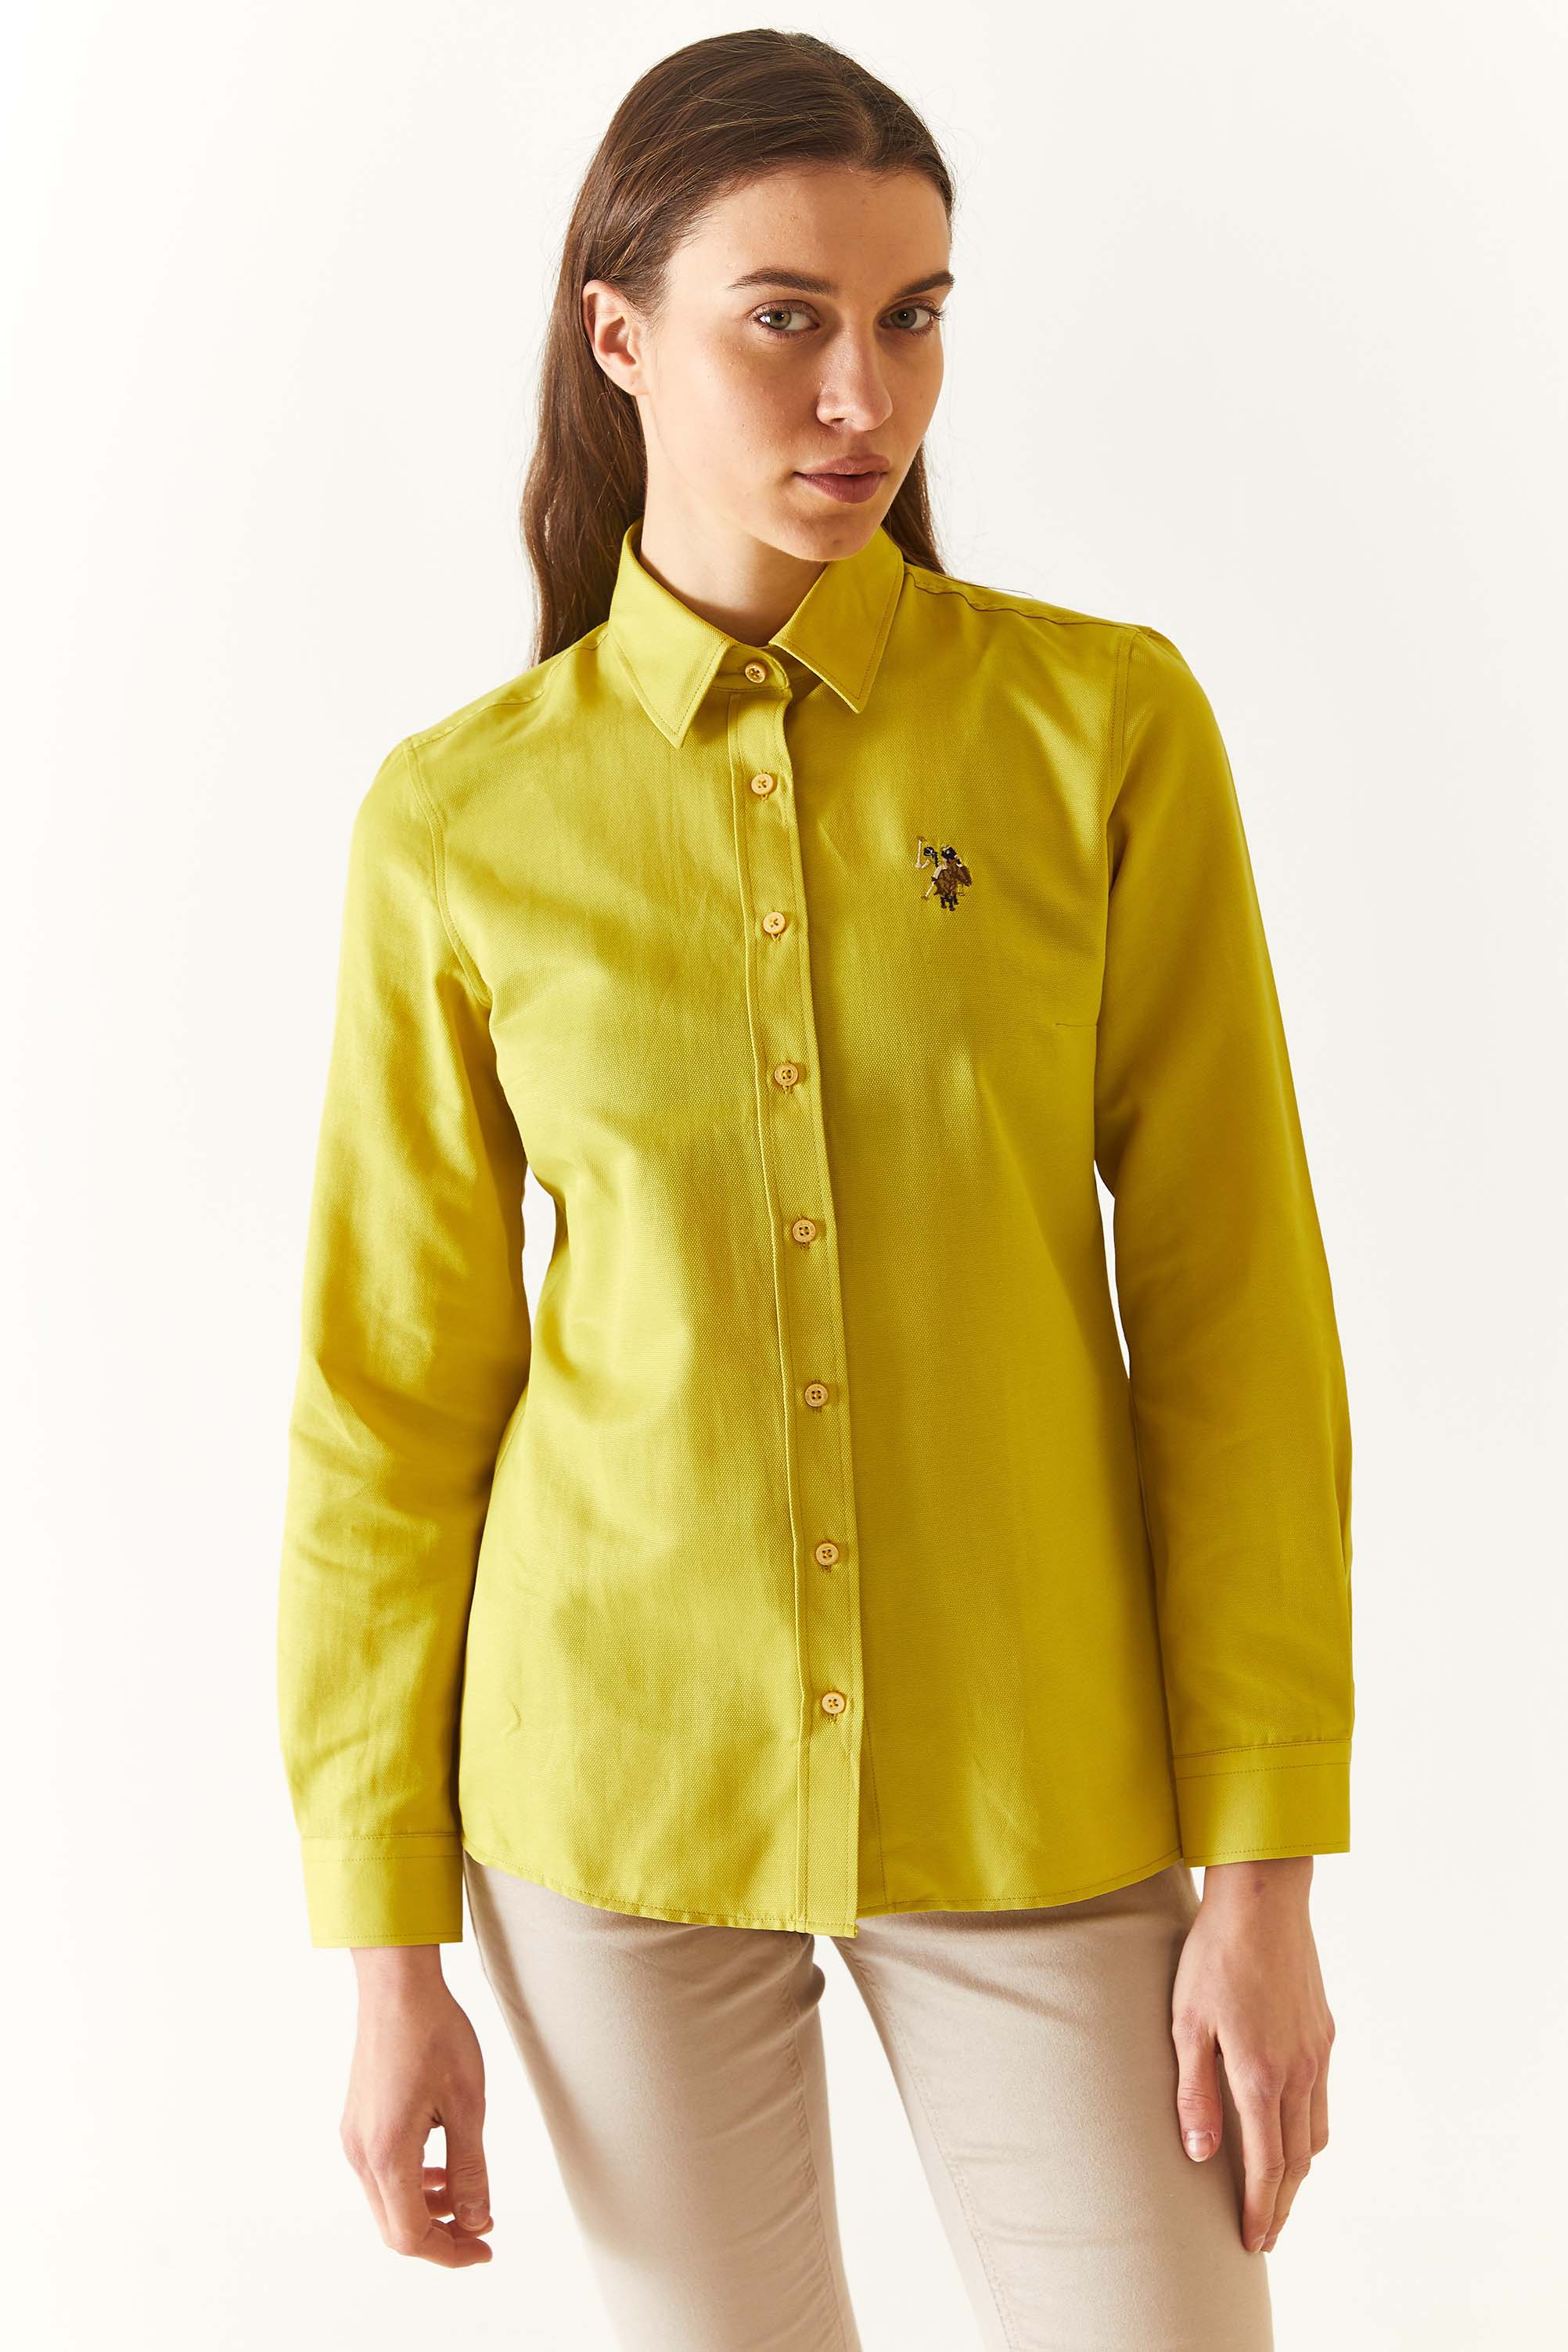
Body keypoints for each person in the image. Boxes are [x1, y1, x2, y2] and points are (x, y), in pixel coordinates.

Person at [276, 28, 1354, 2350]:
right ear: (619, 334)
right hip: (609, 1806)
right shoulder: (459, 822)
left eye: (912, 316)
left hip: (1041, 1789)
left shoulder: (1101, 734)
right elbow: (390, 1404)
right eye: (787, 317)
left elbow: (1236, 1314)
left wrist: (1264, 1878)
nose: (865, 395)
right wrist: (387, 1959)